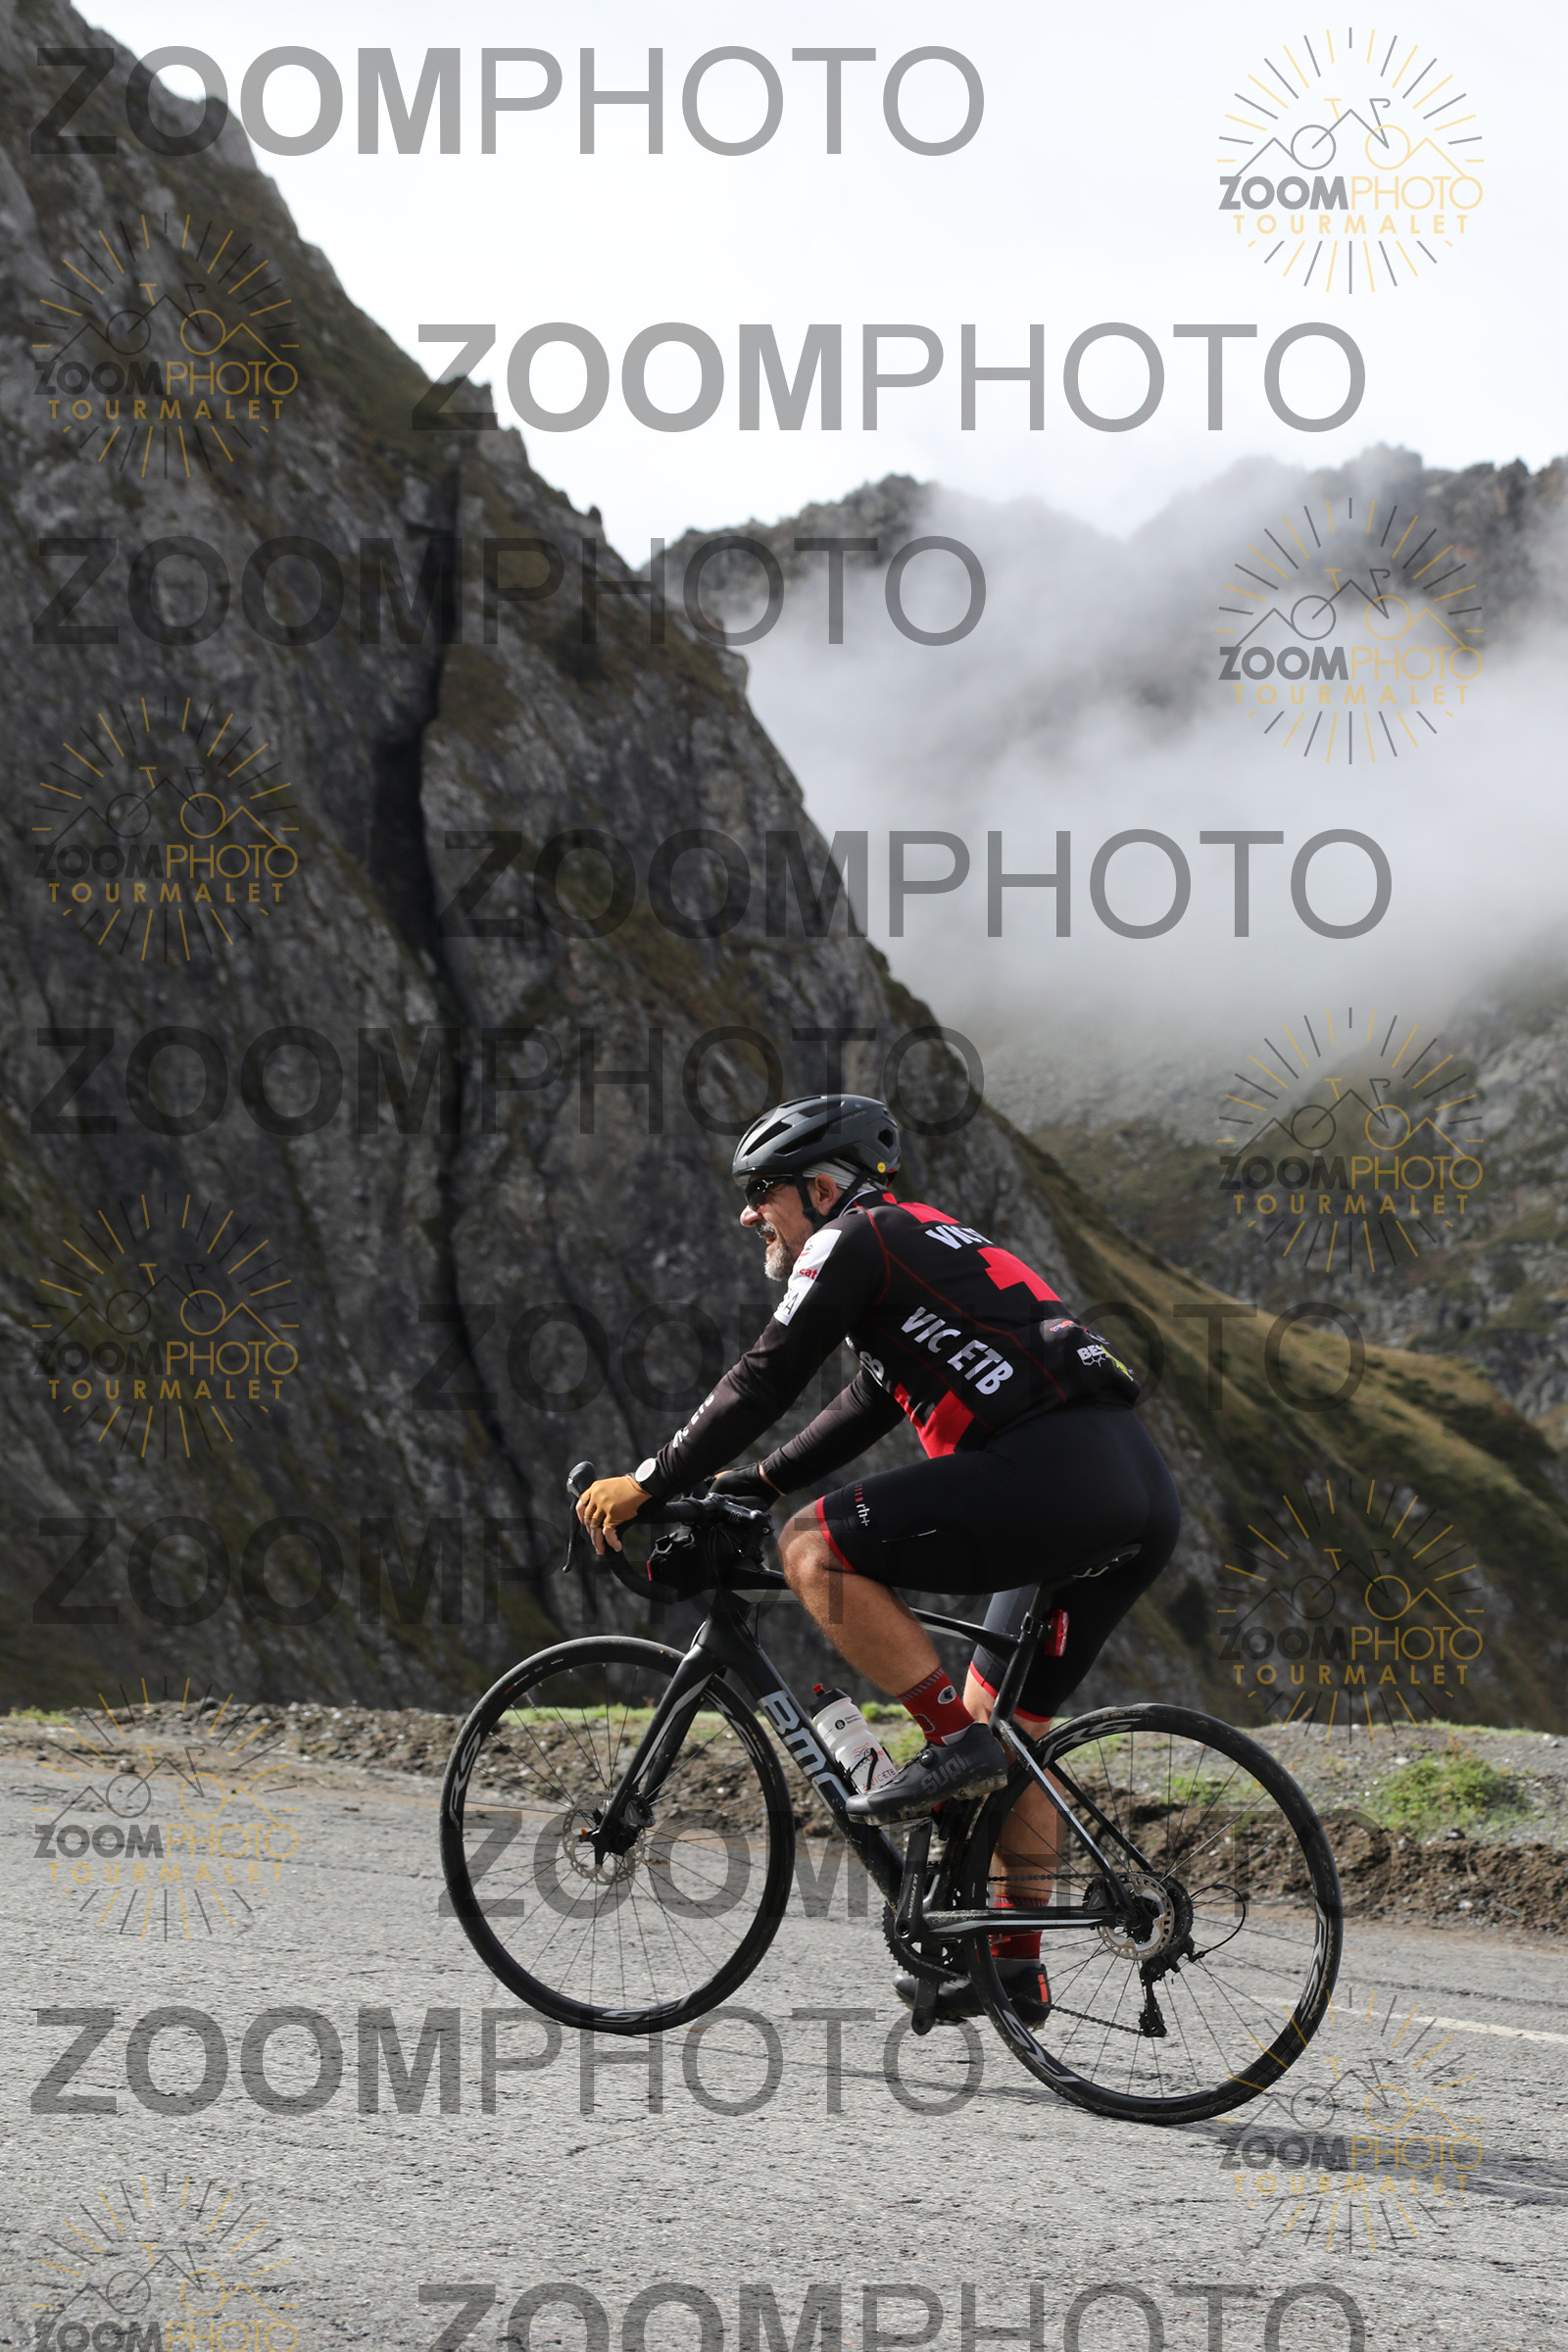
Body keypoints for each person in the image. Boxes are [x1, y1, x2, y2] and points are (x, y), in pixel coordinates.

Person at [575, 1094, 1181, 2027]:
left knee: (812, 1548)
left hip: (1050, 1472)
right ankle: (1013, 1969)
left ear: (823, 1189)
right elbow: (874, 1393)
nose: (747, 1214)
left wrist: (650, 1481)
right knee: (1009, 1737)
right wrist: (760, 1478)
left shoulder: (850, 1238)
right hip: (1131, 1487)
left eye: (763, 1190)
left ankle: (950, 1746)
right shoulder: (918, 1239)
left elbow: (764, 1376)